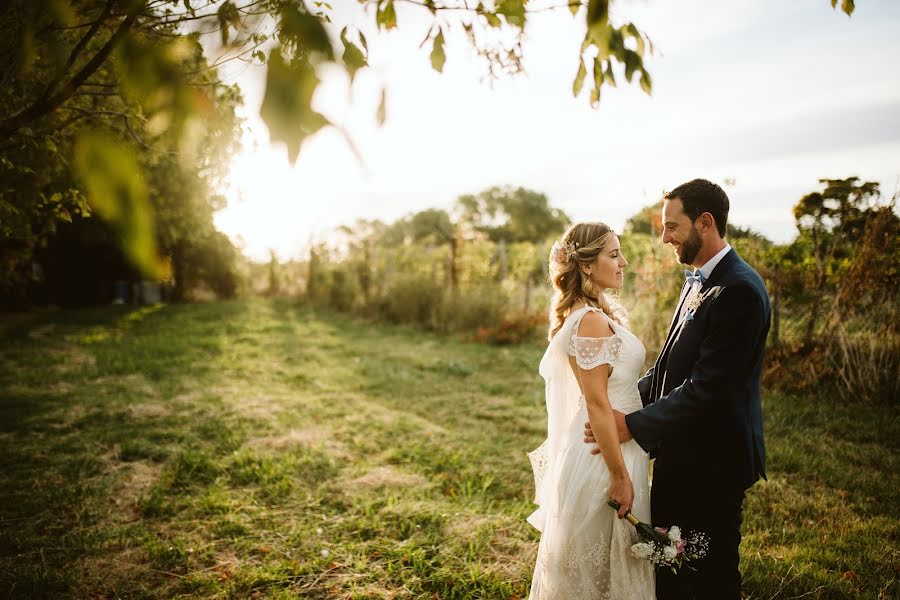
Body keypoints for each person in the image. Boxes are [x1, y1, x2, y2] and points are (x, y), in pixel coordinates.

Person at [584, 179, 770, 599]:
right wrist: (625, 398)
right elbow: (669, 367)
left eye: (673, 226)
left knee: (711, 573)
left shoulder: (739, 289)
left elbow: (709, 388)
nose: (664, 237)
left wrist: (632, 424)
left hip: (714, 459)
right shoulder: (696, 281)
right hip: (681, 451)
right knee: (672, 567)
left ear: (705, 223)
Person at [527, 222, 655, 599]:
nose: (624, 262)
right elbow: (597, 403)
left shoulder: (595, 314)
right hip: (605, 455)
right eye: (613, 254)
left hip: (617, 445)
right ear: (586, 265)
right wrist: (618, 476)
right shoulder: (592, 322)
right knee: (598, 573)